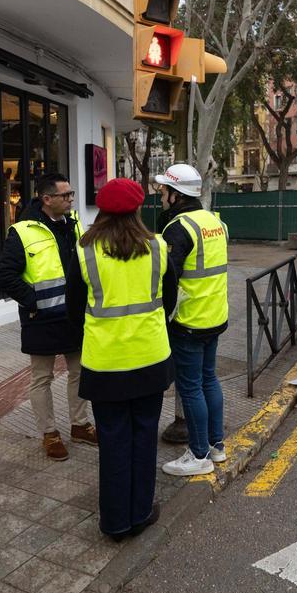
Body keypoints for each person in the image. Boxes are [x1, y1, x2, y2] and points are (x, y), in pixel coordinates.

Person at [66, 178, 176, 541]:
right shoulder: (158, 247)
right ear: (137, 209)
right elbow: (171, 298)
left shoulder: (84, 252)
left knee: (113, 441)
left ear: (101, 211)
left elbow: (72, 308)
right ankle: (141, 512)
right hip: (150, 359)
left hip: (105, 364)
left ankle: (115, 522)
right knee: (144, 437)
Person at [0, 173, 95, 461]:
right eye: (66, 195)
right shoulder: (22, 231)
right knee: (42, 378)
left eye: (71, 194)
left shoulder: (73, 225)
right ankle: (49, 433)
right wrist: (32, 301)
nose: (71, 199)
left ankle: (80, 425)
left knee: (79, 372)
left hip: (73, 317)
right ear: (46, 198)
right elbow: (4, 275)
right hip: (41, 319)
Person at [155, 164, 230, 478]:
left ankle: (198, 453)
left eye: (163, 190)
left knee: (190, 388)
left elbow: (166, 277)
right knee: (208, 380)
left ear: (176, 193)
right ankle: (216, 445)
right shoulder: (215, 221)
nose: (160, 194)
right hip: (215, 315)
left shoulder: (178, 228)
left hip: (188, 320)